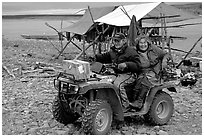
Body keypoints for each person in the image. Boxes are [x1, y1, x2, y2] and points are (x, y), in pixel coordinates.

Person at [91, 33, 141, 110]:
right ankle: (108, 103)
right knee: (103, 82)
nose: (116, 43)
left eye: (118, 41)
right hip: (117, 73)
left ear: (124, 41)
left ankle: (125, 106)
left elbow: (138, 66)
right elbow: (105, 57)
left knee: (117, 85)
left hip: (129, 74)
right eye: (114, 41)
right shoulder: (113, 51)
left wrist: (127, 64)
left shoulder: (131, 51)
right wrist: (95, 57)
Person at [131, 35, 171, 108]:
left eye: (145, 42)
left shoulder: (153, 49)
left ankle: (139, 102)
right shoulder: (135, 52)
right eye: (141, 43)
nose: (143, 45)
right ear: (138, 44)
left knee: (145, 80)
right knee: (137, 81)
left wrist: (164, 61)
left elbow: (166, 54)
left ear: (148, 43)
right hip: (143, 71)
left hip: (155, 71)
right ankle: (133, 101)